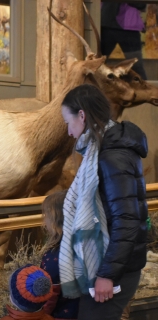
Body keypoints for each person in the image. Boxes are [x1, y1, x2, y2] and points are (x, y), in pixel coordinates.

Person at [59, 84, 148, 320]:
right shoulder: (105, 149)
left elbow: (127, 219)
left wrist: (107, 275)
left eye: (68, 123)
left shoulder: (112, 155)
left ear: (82, 115)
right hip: (115, 263)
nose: (69, 132)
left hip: (117, 269)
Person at [40, 190, 79, 320]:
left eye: (46, 216)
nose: (43, 221)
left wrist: (40, 315)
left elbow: (49, 296)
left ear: (56, 220)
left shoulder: (53, 257)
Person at [101, 2, 147, 79]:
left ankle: (145, 90)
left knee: (136, 66)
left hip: (129, 28)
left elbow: (141, 4)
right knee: (98, 64)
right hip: (107, 25)